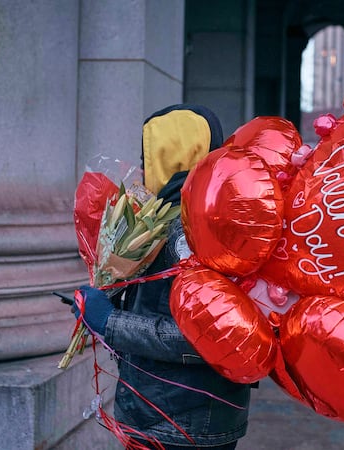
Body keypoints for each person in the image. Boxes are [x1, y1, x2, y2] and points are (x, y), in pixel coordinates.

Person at [73, 104, 252, 449]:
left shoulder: (193, 232)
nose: (140, 168)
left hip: (179, 422)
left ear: (169, 156)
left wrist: (109, 321)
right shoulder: (186, 216)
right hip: (176, 414)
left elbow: (204, 336)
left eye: (146, 157)